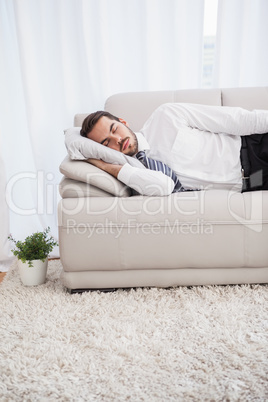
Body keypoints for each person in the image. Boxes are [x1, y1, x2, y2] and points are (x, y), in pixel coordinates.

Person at [80, 103, 268, 196]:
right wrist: (104, 166)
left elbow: (235, 119)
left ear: (123, 122)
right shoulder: (137, 172)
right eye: (107, 143)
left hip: (254, 150)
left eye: (115, 129)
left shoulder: (166, 116)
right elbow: (165, 186)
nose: (119, 140)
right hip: (251, 185)